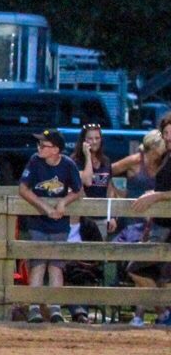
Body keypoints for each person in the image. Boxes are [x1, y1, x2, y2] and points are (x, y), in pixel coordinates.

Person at [17, 129, 83, 323]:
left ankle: (55, 307)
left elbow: (78, 190)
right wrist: (44, 206)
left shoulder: (68, 165)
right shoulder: (35, 161)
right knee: (38, 264)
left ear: (55, 150)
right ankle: (34, 306)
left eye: (44, 145)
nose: (39, 148)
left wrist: (63, 202)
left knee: (55, 266)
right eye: (40, 144)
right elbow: (23, 188)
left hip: (59, 225)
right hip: (38, 222)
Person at [68, 124, 118, 323]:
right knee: (79, 266)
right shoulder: (74, 162)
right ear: (83, 140)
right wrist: (87, 157)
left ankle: (93, 308)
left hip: (101, 220)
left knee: (98, 267)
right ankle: (79, 310)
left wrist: (112, 215)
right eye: (90, 138)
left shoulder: (106, 162)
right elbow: (85, 183)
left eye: (97, 138)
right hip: (80, 220)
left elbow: (109, 190)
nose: (94, 142)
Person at [130, 114, 171, 325]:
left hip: (166, 227)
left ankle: (164, 314)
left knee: (138, 268)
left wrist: (157, 195)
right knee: (153, 273)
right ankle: (164, 314)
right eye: (165, 133)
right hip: (160, 224)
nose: (168, 136)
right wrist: (154, 192)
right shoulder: (167, 156)